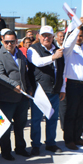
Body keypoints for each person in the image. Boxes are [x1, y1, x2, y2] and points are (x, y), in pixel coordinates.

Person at [0, 29, 33, 160]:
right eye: (7, 41)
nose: (9, 44)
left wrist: (29, 88)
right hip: (7, 98)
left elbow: (24, 74)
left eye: (12, 41)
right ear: (2, 41)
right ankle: (6, 151)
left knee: (20, 125)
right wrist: (12, 85)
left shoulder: (20, 53)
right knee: (5, 126)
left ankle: (20, 148)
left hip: (22, 97)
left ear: (16, 42)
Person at [27, 26, 64, 155]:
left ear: (53, 37)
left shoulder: (58, 50)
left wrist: (62, 88)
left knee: (52, 119)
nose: (46, 38)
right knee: (36, 119)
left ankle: (51, 143)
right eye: (44, 35)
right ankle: (36, 145)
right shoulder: (33, 49)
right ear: (38, 36)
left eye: (49, 35)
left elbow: (61, 71)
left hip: (54, 90)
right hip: (39, 91)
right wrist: (54, 57)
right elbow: (37, 62)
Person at [60, 26, 83, 150]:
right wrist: (75, 27)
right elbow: (68, 42)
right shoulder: (69, 49)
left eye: (81, 35)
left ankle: (77, 137)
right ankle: (69, 139)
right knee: (71, 113)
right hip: (73, 85)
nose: (79, 38)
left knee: (81, 113)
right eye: (77, 35)